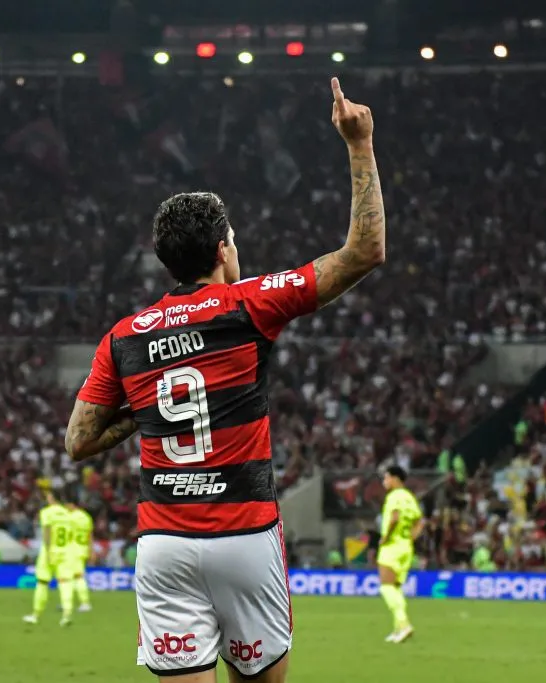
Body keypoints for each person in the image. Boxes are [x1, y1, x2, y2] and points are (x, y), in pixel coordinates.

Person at [63, 76, 384, 683]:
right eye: (233, 240)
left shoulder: (125, 336)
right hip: (245, 535)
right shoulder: (249, 304)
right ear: (221, 251)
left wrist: (142, 411)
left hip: (164, 544)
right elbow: (363, 252)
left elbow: (78, 440)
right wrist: (358, 142)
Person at [377, 465, 423, 643]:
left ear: (395, 478)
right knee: (396, 588)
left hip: (392, 546)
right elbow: (419, 522)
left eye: (386, 477)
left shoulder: (394, 496)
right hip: (406, 547)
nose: (384, 481)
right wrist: (411, 539)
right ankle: (399, 628)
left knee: (386, 587)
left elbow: (395, 517)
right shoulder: (410, 497)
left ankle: (404, 625)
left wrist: (385, 537)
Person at [23, 489, 76, 627]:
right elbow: (70, 535)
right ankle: (66, 615)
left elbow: (47, 532)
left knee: (42, 583)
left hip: (49, 551)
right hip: (64, 552)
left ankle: (35, 615)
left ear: (52, 498)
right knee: (65, 583)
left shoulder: (46, 512)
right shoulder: (68, 514)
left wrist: (47, 551)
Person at [67, 500, 95, 612]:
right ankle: (68, 601)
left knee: (77, 576)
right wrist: (91, 551)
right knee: (72, 576)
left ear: (72, 504)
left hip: (72, 549)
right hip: (82, 549)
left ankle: (85, 603)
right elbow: (90, 535)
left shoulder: (69, 517)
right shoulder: (86, 517)